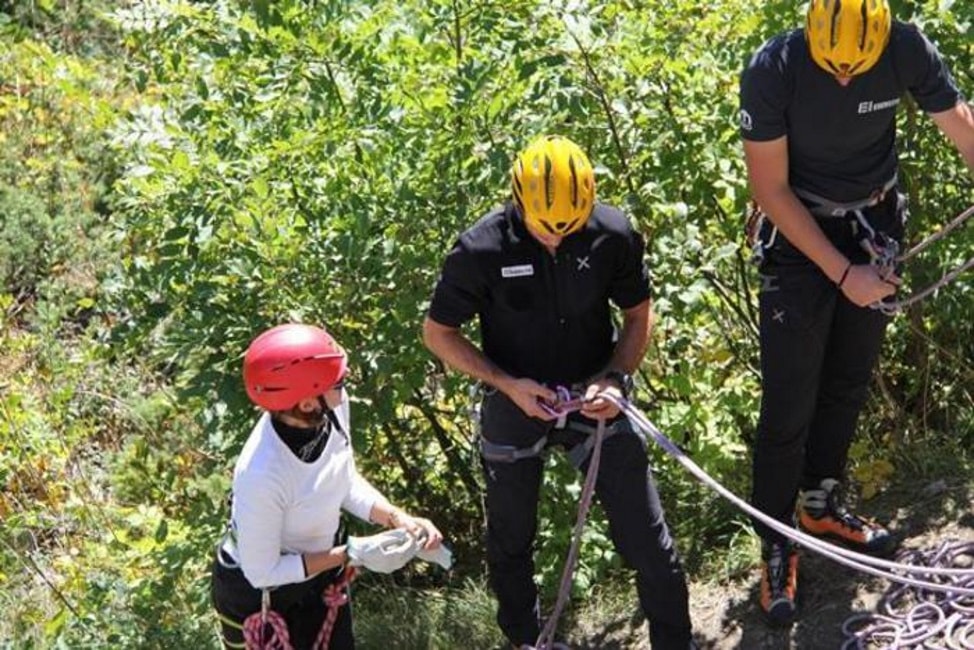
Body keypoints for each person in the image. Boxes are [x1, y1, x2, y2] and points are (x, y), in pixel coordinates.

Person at [739, 0, 974, 626]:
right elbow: (770, 188)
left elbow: (961, 128)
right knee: (789, 400)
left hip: (874, 225)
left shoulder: (904, 47)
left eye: (857, 68)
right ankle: (775, 540)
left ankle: (820, 504)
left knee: (847, 379)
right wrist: (844, 275)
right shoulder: (774, 67)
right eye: (832, 66)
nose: (844, 77)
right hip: (799, 234)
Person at [422, 135, 694, 649]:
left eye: (569, 226)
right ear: (518, 201)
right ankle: (527, 640)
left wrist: (615, 377)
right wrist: (507, 385)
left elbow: (638, 314)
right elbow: (439, 334)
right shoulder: (480, 249)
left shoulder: (611, 233)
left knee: (647, 536)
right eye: (545, 226)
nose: (555, 238)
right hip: (514, 401)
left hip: (595, 394)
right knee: (511, 538)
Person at [211, 323, 447, 649]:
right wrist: (351, 553)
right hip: (263, 591)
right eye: (339, 381)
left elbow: (342, 480)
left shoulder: (332, 409)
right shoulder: (262, 472)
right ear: (307, 404)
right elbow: (263, 572)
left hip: (320, 570)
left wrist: (397, 518)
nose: (344, 383)